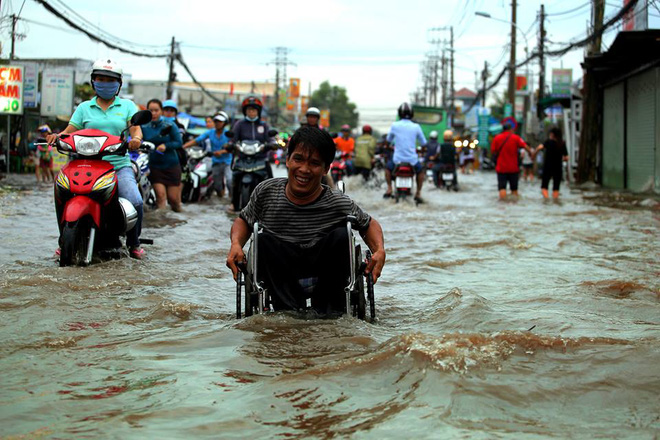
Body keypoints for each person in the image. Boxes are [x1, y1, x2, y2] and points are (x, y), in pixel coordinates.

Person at [226, 126, 386, 314]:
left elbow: (369, 224)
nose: (304, 169)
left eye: (314, 163)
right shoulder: (266, 192)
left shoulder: (338, 202)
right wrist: (236, 244)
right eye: (298, 159)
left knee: (342, 235)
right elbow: (244, 220)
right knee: (262, 240)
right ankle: (288, 311)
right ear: (287, 160)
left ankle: (328, 311)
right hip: (280, 271)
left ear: (326, 168)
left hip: (323, 272)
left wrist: (379, 250)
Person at [46, 59, 146, 259]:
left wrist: (135, 139)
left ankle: (134, 243)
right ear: (93, 81)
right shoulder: (84, 107)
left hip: (117, 166)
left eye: (110, 79)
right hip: (84, 165)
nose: (105, 83)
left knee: (135, 200)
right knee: (60, 190)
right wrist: (57, 137)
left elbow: (136, 129)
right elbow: (68, 132)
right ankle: (62, 239)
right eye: (101, 78)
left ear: (118, 84)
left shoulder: (127, 105)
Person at [228, 96, 273, 212]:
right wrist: (229, 144)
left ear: (258, 111)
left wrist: (272, 144)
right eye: (249, 110)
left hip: (261, 158)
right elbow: (233, 139)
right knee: (235, 176)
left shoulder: (264, 125)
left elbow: (270, 139)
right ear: (245, 111)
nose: (251, 112)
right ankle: (233, 202)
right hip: (243, 158)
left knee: (270, 177)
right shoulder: (239, 124)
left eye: (254, 110)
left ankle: (269, 202)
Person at [141, 99, 184, 211]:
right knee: (160, 197)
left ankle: (178, 221)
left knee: (174, 199)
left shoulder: (170, 125)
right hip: (154, 167)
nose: (154, 113)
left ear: (161, 111)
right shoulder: (143, 126)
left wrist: (166, 145)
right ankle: (161, 225)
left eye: (156, 110)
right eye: (151, 110)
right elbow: (138, 139)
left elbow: (179, 142)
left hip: (171, 166)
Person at [384, 102, 427, 202]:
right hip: (412, 160)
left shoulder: (394, 125)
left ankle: (389, 188)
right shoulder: (416, 126)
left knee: (387, 169)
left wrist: (388, 147)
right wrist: (422, 151)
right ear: (412, 114)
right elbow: (424, 144)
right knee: (421, 172)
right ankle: (418, 193)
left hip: (397, 160)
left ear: (400, 113)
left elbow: (388, 141)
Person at [183, 111, 232, 199]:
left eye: (220, 122)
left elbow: (232, 146)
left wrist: (222, 152)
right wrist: (183, 146)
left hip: (227, 162)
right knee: (217, 186)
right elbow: (197, 140)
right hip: (215, 162)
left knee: (229, 180)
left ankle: (232, 200)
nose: (217, 123)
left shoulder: (228, 134)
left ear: (225, 123)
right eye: (216, 121)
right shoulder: (210, 132)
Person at [490, 122, 533, 200]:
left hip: (501, 168)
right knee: (514, 189)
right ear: (510, 129)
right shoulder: (516, 138)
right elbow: (526, 147)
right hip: (513, 168)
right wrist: (531, 154)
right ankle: (514, 207)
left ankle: (503, 204)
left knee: (502, 188)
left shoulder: (497, 138)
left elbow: (493, 151)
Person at [536, 127, 569, 199]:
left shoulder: (548, 142)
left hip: (548, 167)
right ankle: (555, 201)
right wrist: (561, 159)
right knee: (556, 188)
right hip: (558, 167)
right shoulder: (562, 143)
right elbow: (566, 157)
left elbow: (539, 147)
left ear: (552, 134)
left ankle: (546, 199)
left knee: (544, 186)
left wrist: (534, 153)